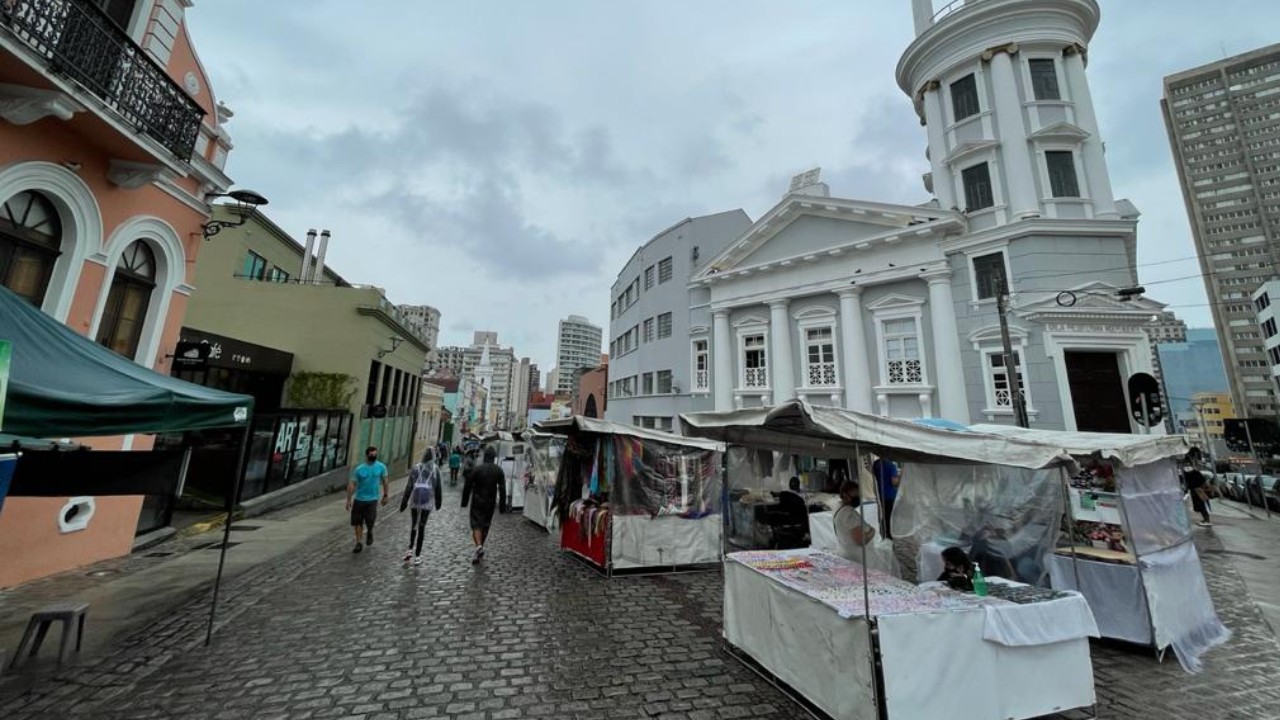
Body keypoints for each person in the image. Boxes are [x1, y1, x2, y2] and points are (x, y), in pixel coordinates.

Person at [399, 449, 444, 566]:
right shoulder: (435, 469)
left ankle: (410, 549)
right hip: (427, 502)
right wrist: (438, 502)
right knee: (422, 526)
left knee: (414, 524)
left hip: (415, 500)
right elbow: (438, 487)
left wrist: (404, 501)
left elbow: (409, 486)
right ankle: (418, 555)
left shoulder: (416, 468)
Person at [461, 446, 504, 564]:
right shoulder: (498, 470)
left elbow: (468, 485)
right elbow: (502, 489)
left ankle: (479, 546)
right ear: (494, 457)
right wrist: (502, 506)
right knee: (485, 525)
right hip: (490, 501)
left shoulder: (477, 469)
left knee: (476, 525)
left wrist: (464, 501)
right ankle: (479, 548)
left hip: (477, 500)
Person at [347, 445, 389, 553]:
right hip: (359, 499)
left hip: (372, 499)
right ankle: (358, 543)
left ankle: (370, 531)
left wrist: (385, 495)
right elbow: (352, 484)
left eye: (375, 454)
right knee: (358, 522)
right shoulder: (359, 469)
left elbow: (385, 481)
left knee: (370, 520)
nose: (373, 456)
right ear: (366, 455)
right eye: (371, 455)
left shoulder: (381, 467)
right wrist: (349, 499)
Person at [871, 456, 900, 540]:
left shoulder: (876, 464)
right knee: (891, 517)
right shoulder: (891, 466)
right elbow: (894, 482)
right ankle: (890, 536)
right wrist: (900, 478)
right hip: (890, 496)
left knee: (883, 516)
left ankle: (884, 534)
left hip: (879, 495)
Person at [1183, 461, 1212, 526]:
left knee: (1203, 506)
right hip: (1195, 491)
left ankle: (1207, 520)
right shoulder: (1186, 473)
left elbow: (1202, 481)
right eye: (1186, 465)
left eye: (1188, 465)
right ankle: (1205, 519)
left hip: (1200, 491)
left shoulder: (1195, 472)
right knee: (1200, 506)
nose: (1187, 466)